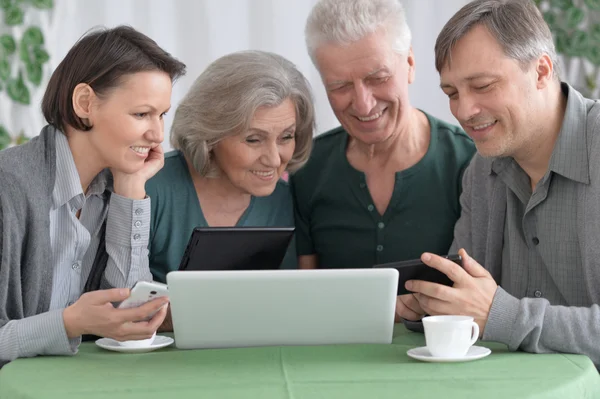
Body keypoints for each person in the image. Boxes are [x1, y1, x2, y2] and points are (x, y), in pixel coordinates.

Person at [397, 0, 600, 366]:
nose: (463, 111)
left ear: (541, 71)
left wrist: (504, 316)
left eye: (483, 86)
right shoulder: (481, 171)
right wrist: (432, 305)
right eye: (452, 93)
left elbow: (492, 313)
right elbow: (470, 305)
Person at [0, 26, 186, 366]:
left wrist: (130, 189)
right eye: (141, 114)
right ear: (85, 103)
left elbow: (129, 317)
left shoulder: (113, 184)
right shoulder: (8, 187)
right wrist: (70, 323)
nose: (157, 134)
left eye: (161, 115)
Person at [291, 0, 476, 273]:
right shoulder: (308, 165)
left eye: (378, 78)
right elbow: (303, 293)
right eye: (340, 86)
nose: (363, 105)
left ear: (410, 64)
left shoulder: (468, 162)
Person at [147, 50, 314, 284]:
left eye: (286, 137)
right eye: (254, 140)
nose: (275, 160)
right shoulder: (151, 188)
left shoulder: (283, 200)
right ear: (210, 136)